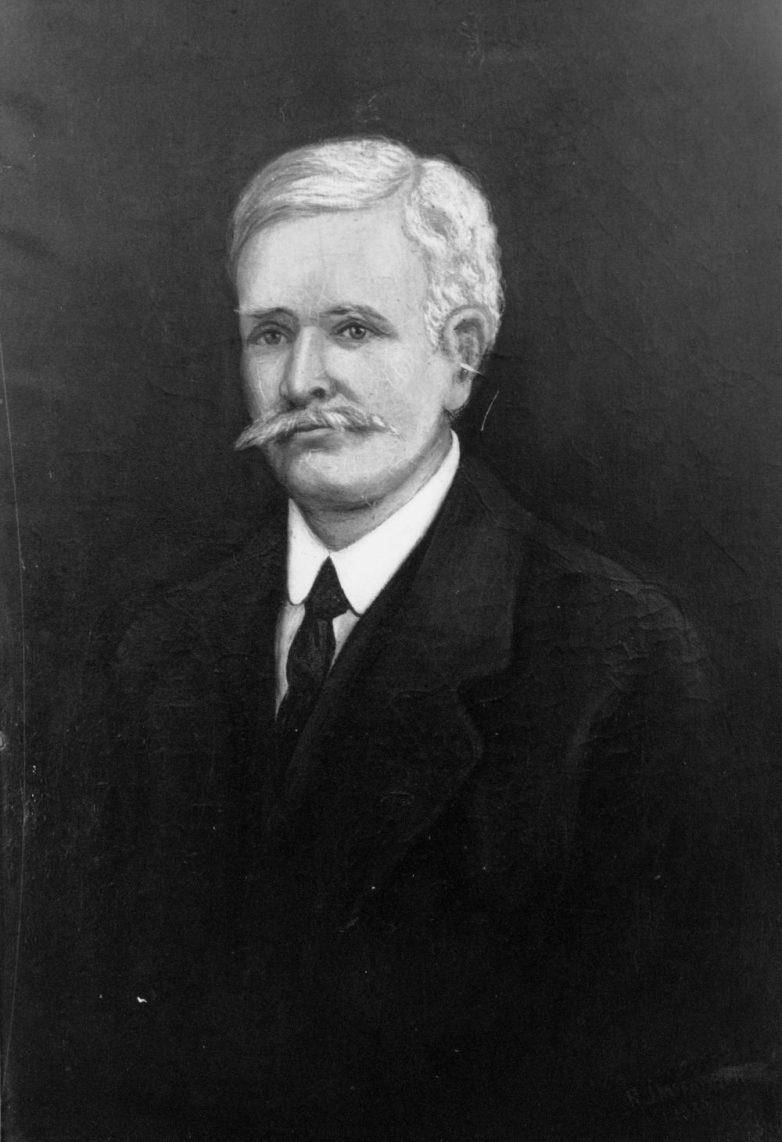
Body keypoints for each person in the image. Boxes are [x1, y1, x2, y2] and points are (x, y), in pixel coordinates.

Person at [95, 138, 756, 1140]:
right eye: (270, 334)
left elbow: (690, 1088)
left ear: (461, 355)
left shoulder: (616, 659)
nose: (302, 380)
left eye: (353, 329)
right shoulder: (156, 653)